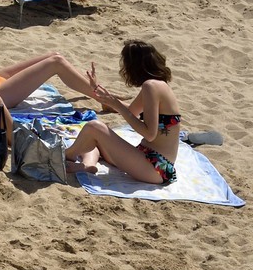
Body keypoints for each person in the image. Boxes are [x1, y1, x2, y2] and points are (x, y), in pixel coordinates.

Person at [64, 40, 181, 185]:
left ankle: (65, 156)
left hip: (156, 166)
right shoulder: (157, 85)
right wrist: (97, 90)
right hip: (152, 160)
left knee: (94, 127)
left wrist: (117, 105)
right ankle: (88, 165)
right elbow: (131, 111)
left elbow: (149, 134)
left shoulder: (150, 86)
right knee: (95, 139)